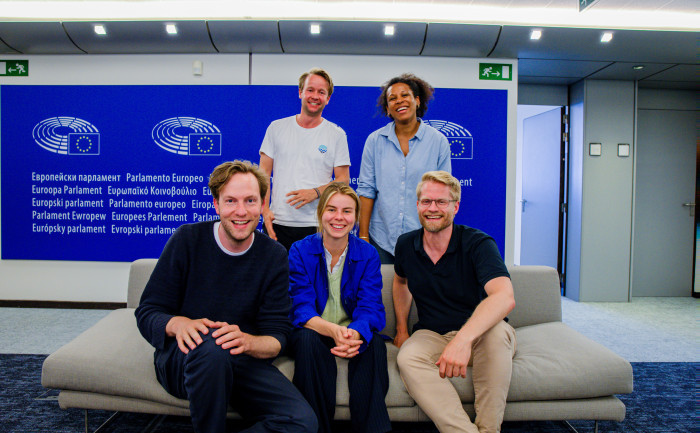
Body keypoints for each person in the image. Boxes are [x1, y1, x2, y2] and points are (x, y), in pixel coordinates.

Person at [135, 160, 317, 433]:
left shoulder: (274, 255)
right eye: (230, 201)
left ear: (262, 204)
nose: (241, 211)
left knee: (302, 422)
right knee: (212, 349)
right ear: (216, 204)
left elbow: (277, 336)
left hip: (240, 358)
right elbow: (148, 311)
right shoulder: (188, 240)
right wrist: (179, 324)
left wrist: (247, 341)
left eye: (250, 201)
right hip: (185, 359)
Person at [393, 171, 516, 433]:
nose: (432, 208)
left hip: (484, 333)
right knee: (408, 358)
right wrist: (402, 329)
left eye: (441, 202)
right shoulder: (405, 244)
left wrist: (463, 340)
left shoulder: (479, 243)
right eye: (426, 201)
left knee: (495, 337)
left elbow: (504, 297)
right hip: (432, 333)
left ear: (455, 206)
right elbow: (400, 282)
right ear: (417, 205)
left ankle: (489, 429)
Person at [287, 182, 391, 433]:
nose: (338, 218)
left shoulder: (367, 253)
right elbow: (300, 307)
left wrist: (354, 332)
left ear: (355, 218)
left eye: (347, 211)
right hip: (314, 329)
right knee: (307, 341)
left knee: (375, 345)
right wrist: (331, 331)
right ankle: (315, 428)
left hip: (351, 331)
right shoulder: (299, 250)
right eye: (332, 209)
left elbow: (371, 306)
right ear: (321, 213)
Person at [357, 73, 452, 264]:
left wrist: (440, 237)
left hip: (424, 238)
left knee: (420, 293)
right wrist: (364, 237)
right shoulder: (375, 141)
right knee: (379, 293)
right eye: (392, 98)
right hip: (381, 240)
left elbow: (444, 195)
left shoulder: (438, 141)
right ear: (388, 109)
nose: (399, 101)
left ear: (417, 101)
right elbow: (366, 190)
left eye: (405, 95)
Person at [260, 68, 351, 251]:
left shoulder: (337, 134)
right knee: (278, 279)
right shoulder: (276, 128)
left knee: (315, 279)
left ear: (328, 98)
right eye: (310, 90)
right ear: (300, 92)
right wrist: (265, 212)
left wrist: (315, 192)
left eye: (321, 92)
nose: (315, 96)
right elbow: (262, 175)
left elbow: (343, 180)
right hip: (278, 223)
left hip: (317, 224)